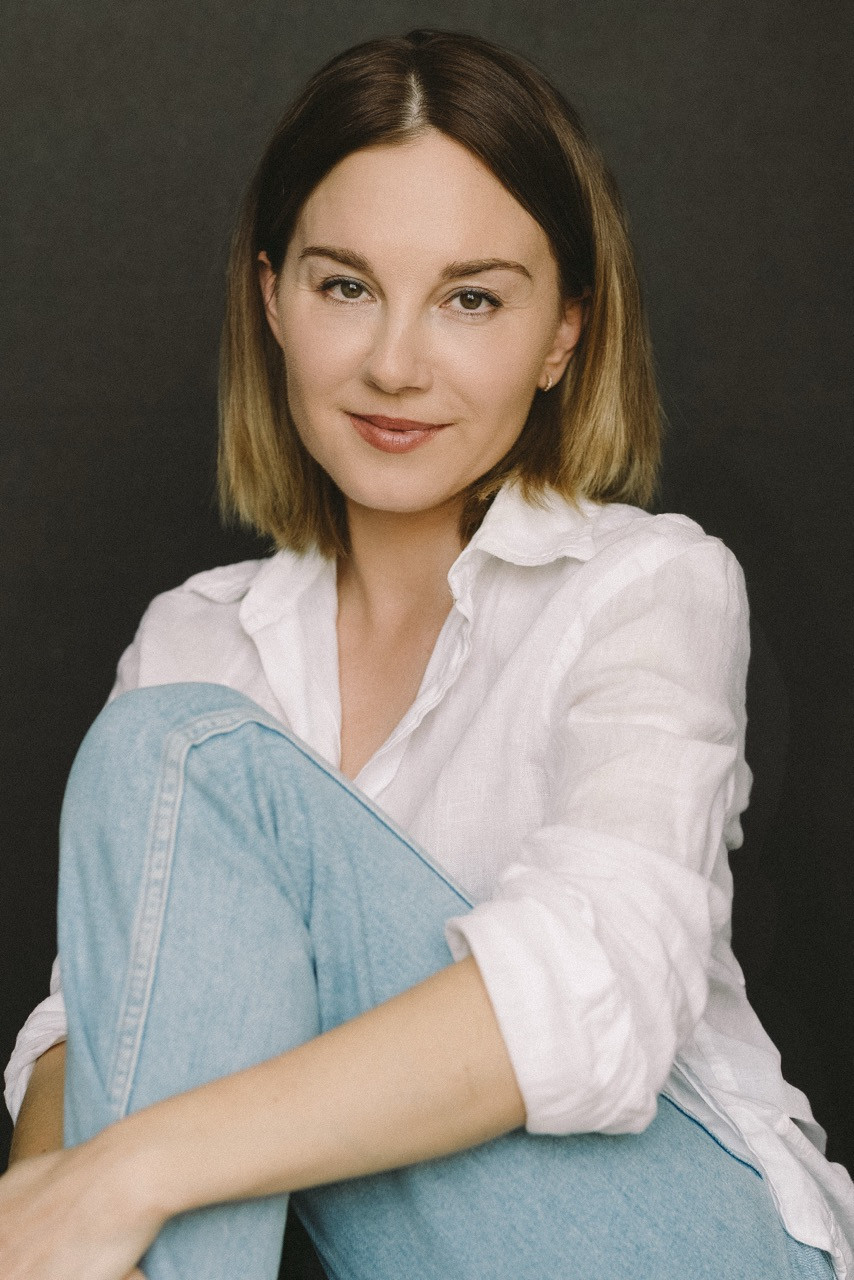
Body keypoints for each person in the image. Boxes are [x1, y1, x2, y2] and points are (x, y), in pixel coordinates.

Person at [1, 27, 851, 1280]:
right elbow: (100, 1027)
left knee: (177, 756)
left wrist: (125, 1173)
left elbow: (595, 991)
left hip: (688, 1239)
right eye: (345, 287)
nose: (395, 363)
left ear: (562, 334)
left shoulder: (644, 585)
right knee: (171, 781)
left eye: (471, 298)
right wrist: (41, 1204)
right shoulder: (197, 635)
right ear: (272, 298)